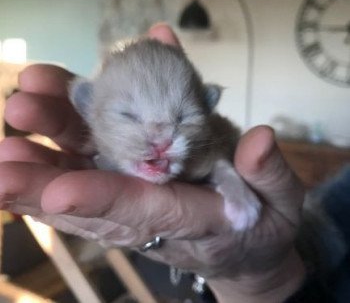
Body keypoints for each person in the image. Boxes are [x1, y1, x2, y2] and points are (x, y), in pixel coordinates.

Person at [0, 23, 326, 303]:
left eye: (184, 117)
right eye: (128, 115)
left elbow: (218, 163)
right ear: (87, 106)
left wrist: (233, 185)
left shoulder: (203, 149)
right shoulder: (94, 157)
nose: (161, 138)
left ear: (207, 107)